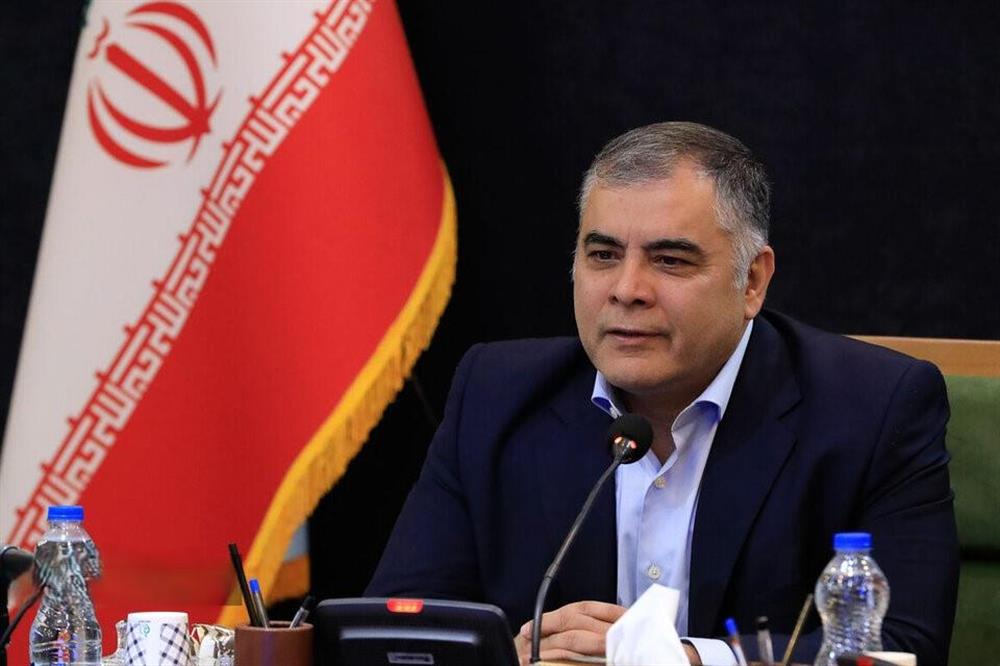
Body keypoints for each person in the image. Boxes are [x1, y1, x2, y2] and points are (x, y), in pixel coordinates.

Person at [366, 122, 959, 665]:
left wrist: (685, 661)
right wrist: (503, 658)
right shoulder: (495, 395)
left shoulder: (875, 408)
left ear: (752, 281)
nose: (627, 289)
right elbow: (394, 636)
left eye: (670, 260)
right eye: (603, 255)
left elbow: (901, 648)